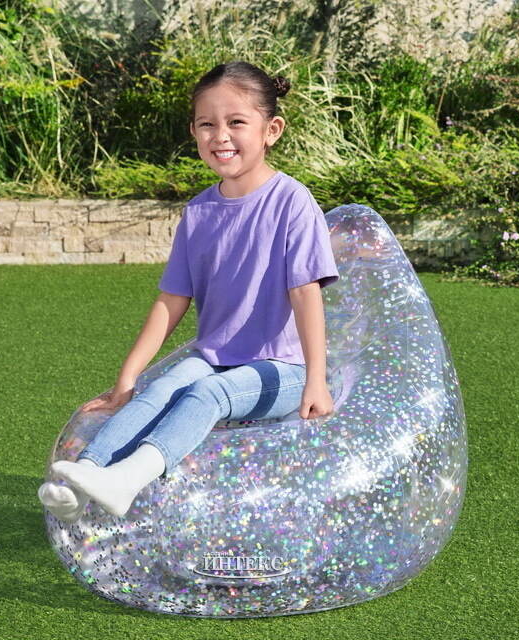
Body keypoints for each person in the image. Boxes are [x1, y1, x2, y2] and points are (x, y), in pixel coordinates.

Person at [38, 60, 340, 522]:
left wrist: (316, 379)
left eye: (236, 122)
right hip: (217, 355)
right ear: (193, 132)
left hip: (285, 367)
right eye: (207, 124)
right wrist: (127, 378)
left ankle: (127, 480)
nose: (221, 136)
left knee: (207, 393)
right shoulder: (199, 212)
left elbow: (305, 293)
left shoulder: (292, 202)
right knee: (159, 390)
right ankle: (86, 477)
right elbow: (171, 300)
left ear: (271, 130)